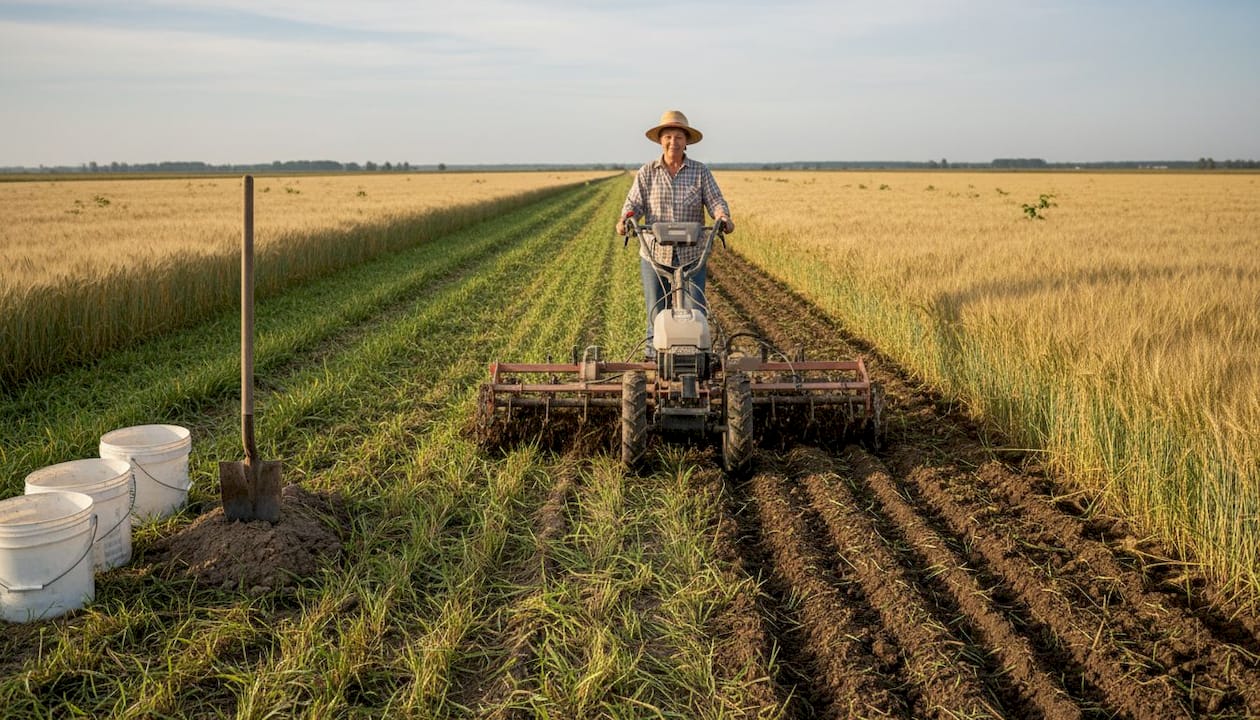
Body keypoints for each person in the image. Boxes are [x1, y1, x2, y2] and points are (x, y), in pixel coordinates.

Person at [617, 110, 734, 358]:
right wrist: (626, 220)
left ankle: (697, 359)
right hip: (655, 254)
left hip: (692, 254)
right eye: (668, 136)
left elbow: (715, 201)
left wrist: (722, 217)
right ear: (661, 140)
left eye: (678, 137)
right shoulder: (647, 172)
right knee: (656, 311)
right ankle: (653, 361)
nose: (673, 142)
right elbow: (633, 205)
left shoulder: (700, 172)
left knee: (694, 310)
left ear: (686, 141)